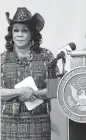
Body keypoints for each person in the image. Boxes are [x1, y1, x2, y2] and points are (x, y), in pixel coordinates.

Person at [0, 7, 59, 140]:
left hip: (40, 124)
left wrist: (35, 93)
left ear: (32, 34)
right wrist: (19, 91)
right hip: (10, 125)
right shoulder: (2, 59)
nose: (19, 34)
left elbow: (56, 89)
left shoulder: (46, 56)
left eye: (24, 30)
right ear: (11, 34)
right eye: (16, 30)